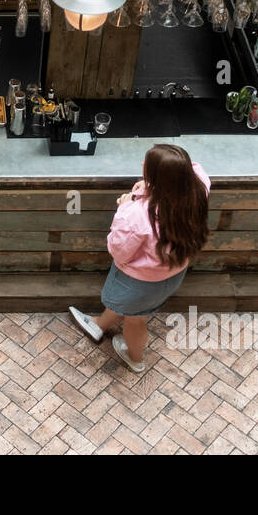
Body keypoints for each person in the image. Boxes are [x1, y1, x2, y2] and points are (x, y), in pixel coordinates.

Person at [69, 144, 211, 372]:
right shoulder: (199, 189)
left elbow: (118, 251)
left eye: (148, 166)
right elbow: (193, 168)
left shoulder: (137, 215)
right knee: (132, 307)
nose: (143, 165)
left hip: (139, 283)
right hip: (172, 274)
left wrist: (126, 205)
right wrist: (150, 185)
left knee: (135, 321)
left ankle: (135, 358)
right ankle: (99, 325)